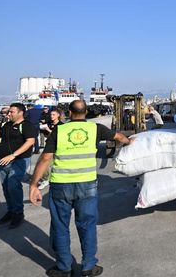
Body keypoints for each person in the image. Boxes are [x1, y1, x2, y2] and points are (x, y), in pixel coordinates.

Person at [29, 100, 133, 277]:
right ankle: (88, 267)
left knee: (60, 226)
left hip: (60, 185)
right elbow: (118, 137)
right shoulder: (96, 129)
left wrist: (33, 185)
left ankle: (64, 268)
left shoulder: (60, 130)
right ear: (86, 113)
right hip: (87, 185)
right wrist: (128, 141)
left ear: (69, 113)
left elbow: (46, 157)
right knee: (87, 225)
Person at [0, 102, 37, 229]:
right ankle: (10, 211)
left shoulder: (27, 125)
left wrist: (13, 155)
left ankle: (18, 213)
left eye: (12, 112)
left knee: (13, 186)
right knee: (6, 187)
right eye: (8, 112)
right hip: (3, 161)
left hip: (19, 160)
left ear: (21, 112)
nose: (9, 114)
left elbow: (30, 141)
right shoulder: (6, 125)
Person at [37, 108, 65, 190]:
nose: (51, 116)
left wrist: (48, 130)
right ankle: (46, 179)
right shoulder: (49, 123)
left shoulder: (61, 125)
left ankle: (54, 179)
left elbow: (59, 136)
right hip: (49, 145)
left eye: (53, 115)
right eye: (51, 115)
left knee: (56, 165)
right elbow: (45, 134)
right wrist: (42, 128)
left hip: (57, 147)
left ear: (58, 115)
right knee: (42, 163)